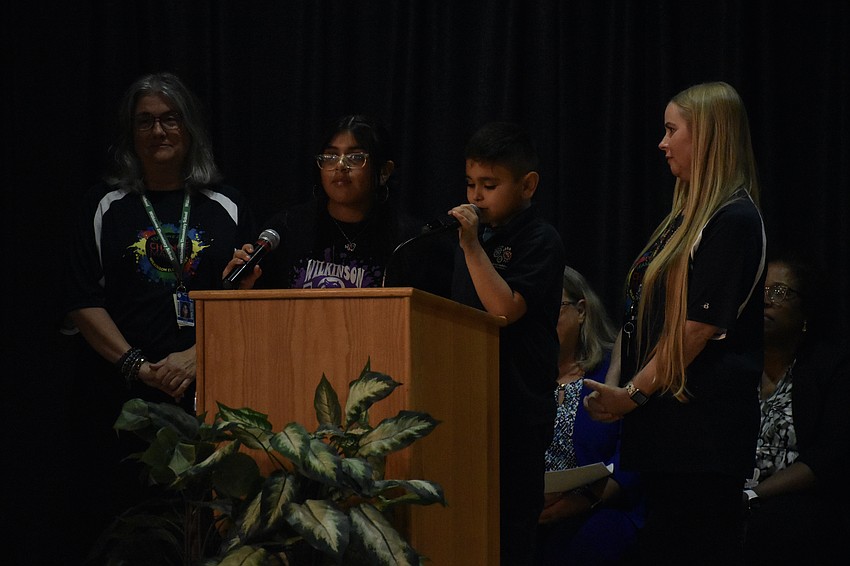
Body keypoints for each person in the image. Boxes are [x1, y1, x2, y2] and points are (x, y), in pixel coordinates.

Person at [63, 72, 256, 562]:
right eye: (145, 121)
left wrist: (196, 357)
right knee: (129, 538)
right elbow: (83, 299)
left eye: (170, 119)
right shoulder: (105, 205)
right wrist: (138, 367)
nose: (159, 131)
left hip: (212, 392)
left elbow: (251, 299)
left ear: (189, 128)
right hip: (123, 399)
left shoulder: (226, 205)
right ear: (131, 134)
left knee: (206, 535)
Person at [583, 81, 766, 565]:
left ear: (706, 136)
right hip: (670, 440)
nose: (662, 143)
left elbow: (694, 330)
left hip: (702, 443)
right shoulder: (682, 217)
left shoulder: (734, 220)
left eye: (671, 130)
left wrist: (634, 394)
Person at [448, 121, 566, 564]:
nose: (475, 197)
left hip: (517, 410)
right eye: (470, 184)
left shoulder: (540, 240)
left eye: (489, 185)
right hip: (466, 405)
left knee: (510, 535)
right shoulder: (474, 240)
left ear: (527, 185)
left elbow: (503, 310)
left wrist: (473, 248)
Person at [224, 114, 452, 295]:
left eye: (355, 157)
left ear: (384, 171)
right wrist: (243, 287)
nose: (340, 166)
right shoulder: (287, 230)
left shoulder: (409, 242)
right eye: (331, 157)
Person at [742, 254, 850, 564]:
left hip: (796, 505)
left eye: (779, 292)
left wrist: (754, 496)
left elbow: (830, 457)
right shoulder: (737, 369)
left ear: (805, 314)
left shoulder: (830, 368)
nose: (766, 301)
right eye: (761, 292)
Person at [535, 266, 644, 565]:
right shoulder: (523, 380)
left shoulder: (612, 370)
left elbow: (637, 447)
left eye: (550, 308)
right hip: (531, 507)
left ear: (581, 310)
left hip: (603, 505)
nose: (540, 321)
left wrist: (586, 499)